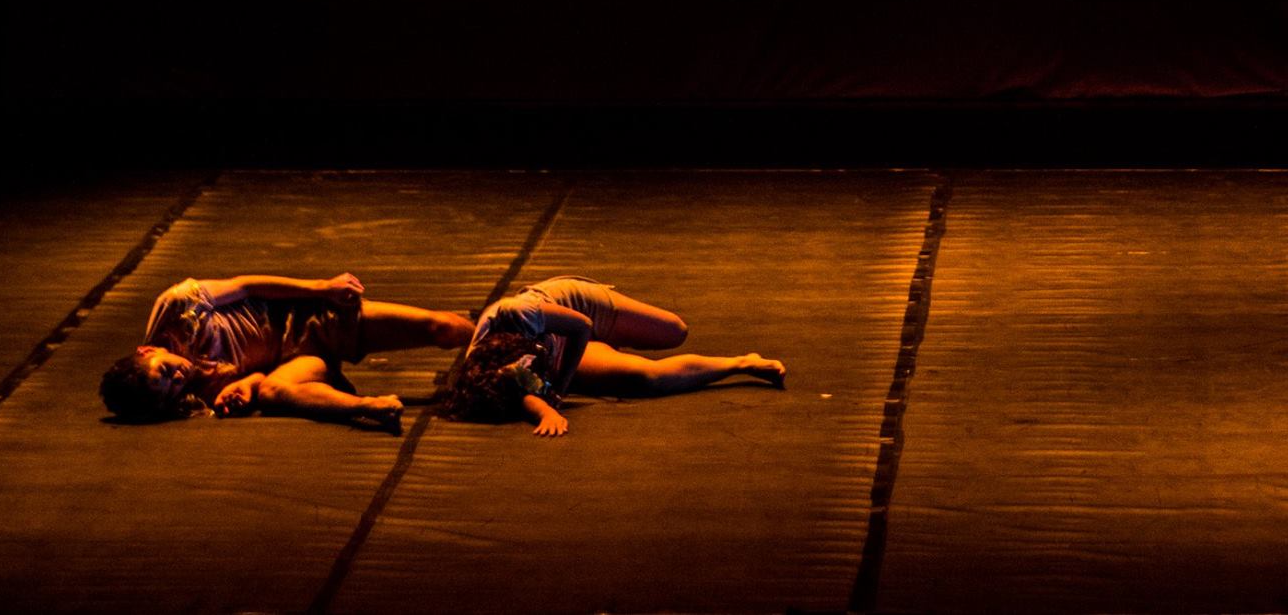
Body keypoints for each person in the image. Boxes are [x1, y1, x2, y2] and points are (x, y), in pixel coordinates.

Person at [98, 273, 473, 429]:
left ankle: (496, 338)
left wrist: (321, 288)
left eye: (166, 371)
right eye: (173, 388)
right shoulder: (189, 398)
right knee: (273, 391)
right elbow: (258, 379)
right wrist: (245, 388)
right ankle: (370, 408)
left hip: (307, 321)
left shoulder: (175, 307)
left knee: (442, 329)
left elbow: (246, 286)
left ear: (147, 350)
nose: (179, 377)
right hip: (297, 362)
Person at [445, 276, 784, 436]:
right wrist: (546, 409)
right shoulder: (489, 373)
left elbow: (581, 327)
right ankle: (742, 362)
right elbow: (525, 397)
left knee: (675, 331)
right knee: (647, 378)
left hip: (577, 308)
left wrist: (560, 386)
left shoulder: (520, 313)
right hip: (561, 347)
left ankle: (613, 332)